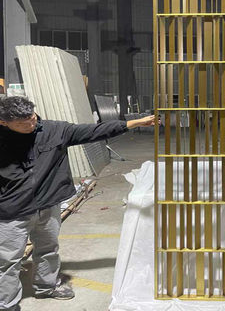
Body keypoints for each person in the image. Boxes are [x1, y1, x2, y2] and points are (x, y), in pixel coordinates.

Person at [0, 96, 155, 311]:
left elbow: (94, 131)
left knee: (48, 249)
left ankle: (46, 286)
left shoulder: (55, 130)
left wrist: (135, 123)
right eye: (22, 123)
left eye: (32, 118)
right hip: (13, 211)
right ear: (4, 122)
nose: (31, 124)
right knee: (8, 261)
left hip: (48, 205)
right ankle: (7, 304)